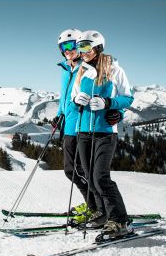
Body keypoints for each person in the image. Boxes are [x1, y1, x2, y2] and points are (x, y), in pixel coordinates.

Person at [71, 30, 134, 239]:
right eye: (80, 47)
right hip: (83, 131)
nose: (83, 51)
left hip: (105, 132)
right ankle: (102, 214)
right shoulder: (81, 71)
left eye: (86, 47)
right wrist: (76, 100)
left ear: (98, 47)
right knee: (89, 176)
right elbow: (73, 96)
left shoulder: (114, 69)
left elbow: (128, 98)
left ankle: (119, 221)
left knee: (100, 177)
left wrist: (109, 103)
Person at [51, 28, 98, 222]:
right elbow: (65, 98)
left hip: (82, 125)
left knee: (80, 170)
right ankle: (93, 204)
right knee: (71, 170)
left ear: (80, 46)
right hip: (68, 126)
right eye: (63, 46)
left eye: (71, 45)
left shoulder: (86, 68)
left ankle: (96, 207)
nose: (67, 50)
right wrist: (58, 115)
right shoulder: (66, 69)